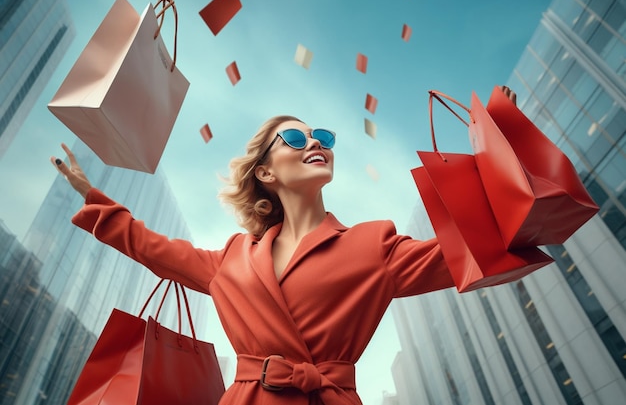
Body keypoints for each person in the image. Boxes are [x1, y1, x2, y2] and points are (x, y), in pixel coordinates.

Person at [51, 87, 517, 405]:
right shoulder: (231, 259)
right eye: (295, 137)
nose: (315, 141)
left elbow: (474, 247)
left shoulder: (376, 244)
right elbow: (149, 246)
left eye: (323, 137)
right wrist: (94, 198)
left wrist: (502, 152)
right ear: (266, 173)